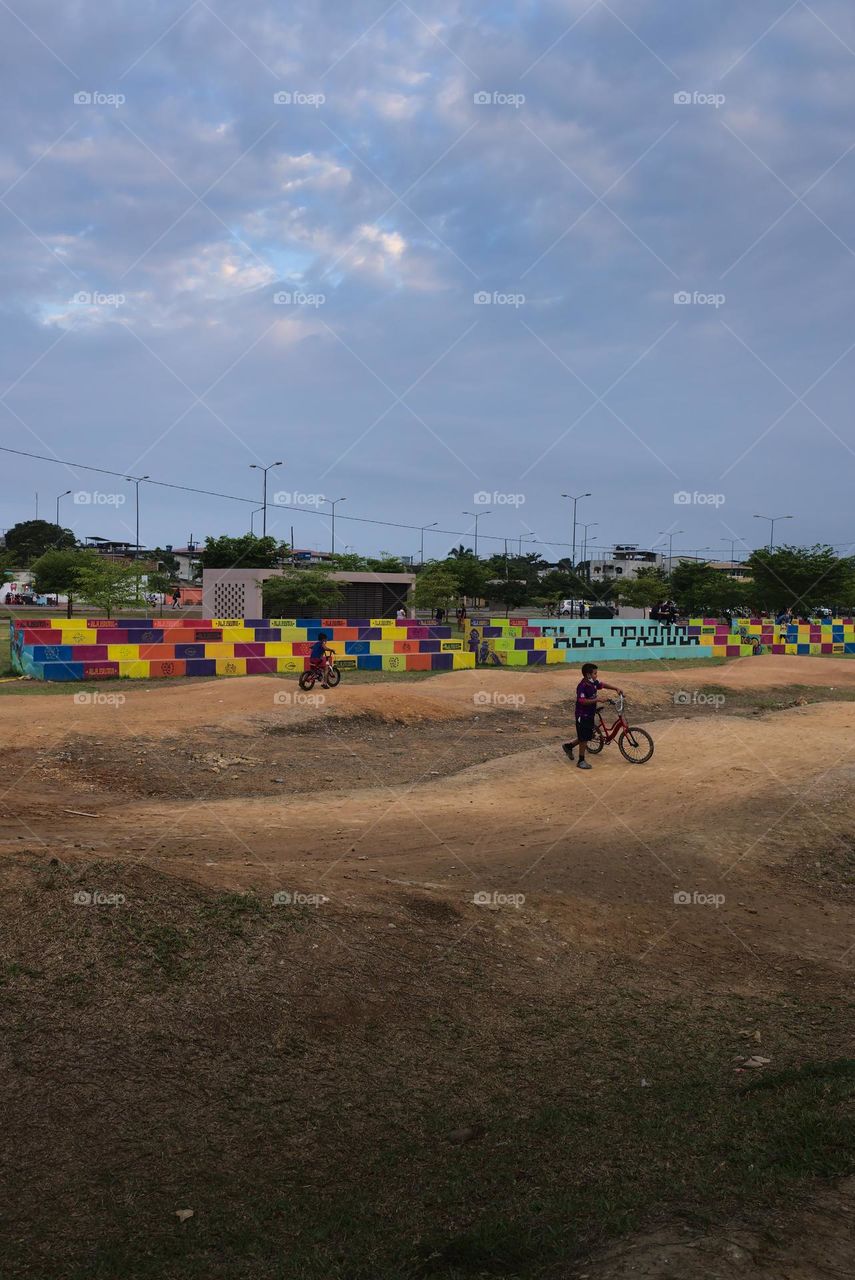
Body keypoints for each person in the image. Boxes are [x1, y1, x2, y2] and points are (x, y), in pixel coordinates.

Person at [562, 662, 623, 771]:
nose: (596, 675)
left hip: (590, 713)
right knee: (584, 737)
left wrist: (616, 688)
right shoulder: (582, 686)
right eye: (595, 673)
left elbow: (602, 685)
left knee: (587, 735)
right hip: (582, 715)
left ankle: (568, 747)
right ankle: (581, 761)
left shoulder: (593, 683)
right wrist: (598, 699)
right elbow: (582, 701)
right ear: (588, 675)